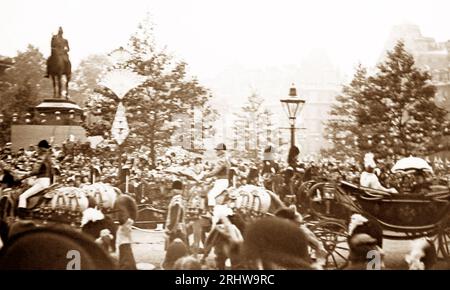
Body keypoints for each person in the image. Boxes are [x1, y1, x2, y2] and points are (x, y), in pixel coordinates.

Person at [17, 140, 53, 215]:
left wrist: (22, 177)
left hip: (41, 182)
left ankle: (21, 215)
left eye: (38, 148)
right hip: (46, 181)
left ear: (40, 148)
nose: (37, 150)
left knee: (22, 196)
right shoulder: (49, 158)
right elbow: (52, 173)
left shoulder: (41, 157)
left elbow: (35, 171)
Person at [198, 143, 231, 209]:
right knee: (207, 189)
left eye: (217, 150)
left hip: (221, 182)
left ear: (222, 151)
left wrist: (205, 176)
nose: (216, 151)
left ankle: (211, 213)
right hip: (221, 181)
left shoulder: (222, 160)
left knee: (211, 195)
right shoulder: (225, 159)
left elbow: (214, 172)